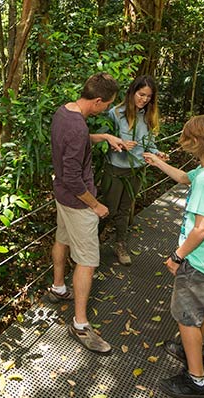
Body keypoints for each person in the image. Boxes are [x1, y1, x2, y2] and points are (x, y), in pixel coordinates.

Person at [142, 114, 204, 398]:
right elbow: (182, 177)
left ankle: (198, 380)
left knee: (187, 318)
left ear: (197, 142)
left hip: (197, 260)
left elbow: (201, 229)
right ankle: (191, 350)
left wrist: (177, 256)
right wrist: (157, 162)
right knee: (198, 311)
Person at [42, 72, 127, 354]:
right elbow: (73, 177)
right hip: (78, 202)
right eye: (107, 105)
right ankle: (80, 323)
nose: (106, 110)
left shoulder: (64, 111)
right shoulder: (77, 128)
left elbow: (72, 142)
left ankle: (58, 288)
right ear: (98, 101)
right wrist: (96, 205)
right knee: (88, 261)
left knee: (62, 239)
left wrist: (102, 137)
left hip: (62, 197)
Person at [99, 75, 166, 265]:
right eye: (141, 94)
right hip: (115, 169)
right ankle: (92, 241)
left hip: (136, 170)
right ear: (132, 92)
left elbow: (150, 145)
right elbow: (104, 141)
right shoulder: (116, 113)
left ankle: (120, 243)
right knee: (109, 210)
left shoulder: (148, 116)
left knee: (126, 209)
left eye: (148, 97)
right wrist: (118, 145)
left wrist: (157, 154)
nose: (144, 99)